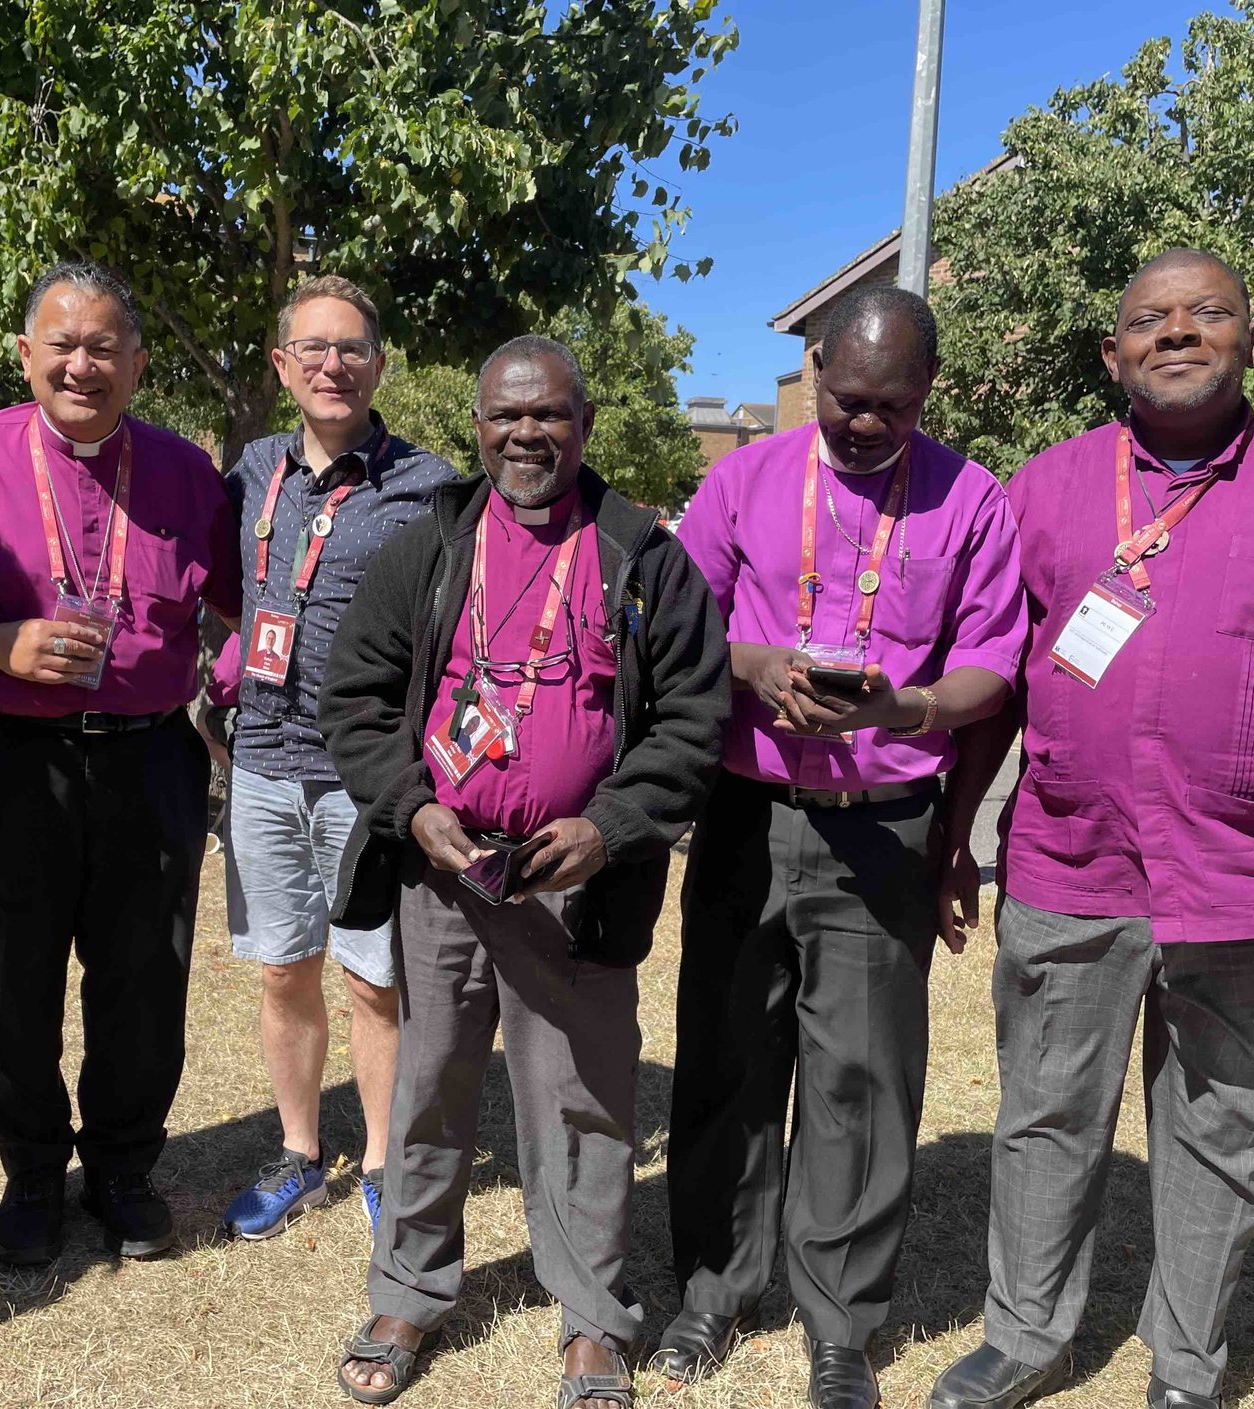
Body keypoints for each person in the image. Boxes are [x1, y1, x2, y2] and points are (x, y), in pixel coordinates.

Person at [928, 249, 1254, 1409]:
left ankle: (1186, 1363)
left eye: (1206, 315)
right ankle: (1028, 1334)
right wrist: (952, 833)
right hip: (1070, 866)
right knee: (1043, 1115)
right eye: (1150, 320)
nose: (1176, 333)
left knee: (1225, 1131)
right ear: (1113, 351)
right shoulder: (1042, 490)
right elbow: (998, 676)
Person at [320, 335, 730, 1407]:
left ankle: (593, 1314)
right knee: (429, 1084)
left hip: (574, 883)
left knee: (586, 1101)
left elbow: (694, 713)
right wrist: (412, 805)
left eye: (548, 414)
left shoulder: (641, 551)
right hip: (445, 876)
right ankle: (409, 1283)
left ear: (584, 423)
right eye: (506, 416)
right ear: (479, 427)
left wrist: (615, 822)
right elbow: (355, 696)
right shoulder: (431, 543)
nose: (526, 434)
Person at [664, 286, 1028, 1408]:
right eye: (847, 398)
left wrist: (903, 707)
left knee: (861, 1079)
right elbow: (679, 621)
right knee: (728, 1053)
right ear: (815, 367)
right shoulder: (745, 480)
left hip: (883, 825)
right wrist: (757, 665)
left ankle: (841, 1322)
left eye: (892, 406)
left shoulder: (972, 499)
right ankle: (713, 1289)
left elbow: (992, 664)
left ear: (928, 393)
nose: (864, 422)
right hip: (747, 813)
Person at [0, 261, 241, 1266]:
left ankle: (123, 1166)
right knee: (6, 979)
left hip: (150, 760)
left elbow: (250, 601)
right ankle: (31, 1169)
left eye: (105, 345)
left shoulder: (184, 472)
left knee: (143, 978)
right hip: (3, 758)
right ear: (26, 353)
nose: (83, 364)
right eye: (62, 344)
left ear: (138, 362)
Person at [215, 276, 457, 1241]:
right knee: (284, 969)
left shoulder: (430, 484)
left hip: (368, 775)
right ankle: (301, 1151)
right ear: (283, 367)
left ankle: (387, 1164)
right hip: (263, 765)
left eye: (351, 348)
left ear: (380, 364)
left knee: (372, 978)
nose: (332, 364)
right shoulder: (250, 471)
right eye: (312, 348)